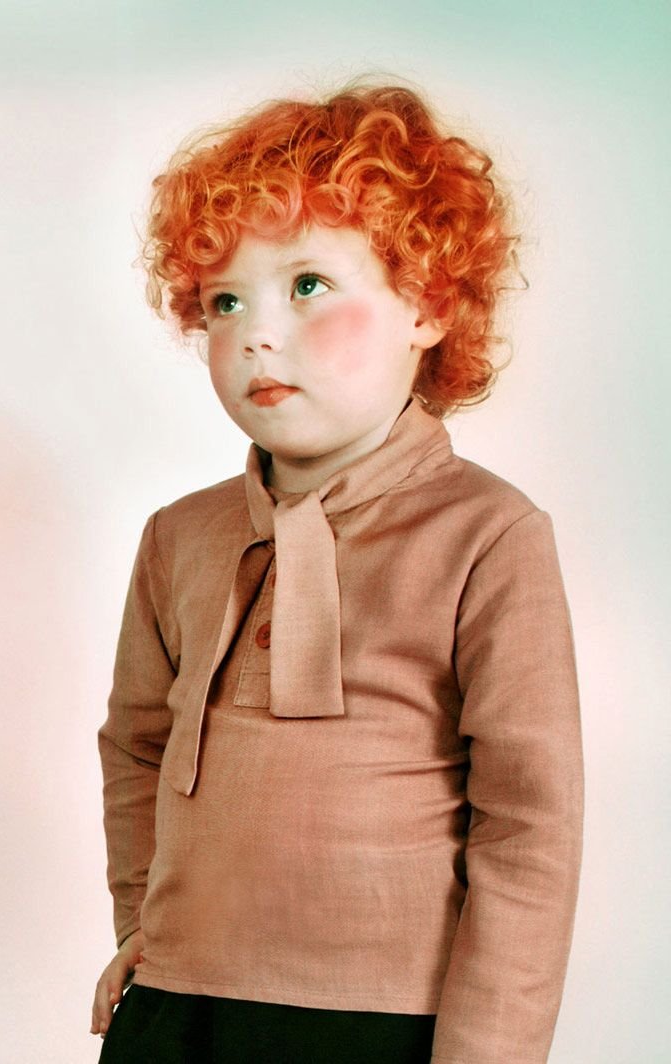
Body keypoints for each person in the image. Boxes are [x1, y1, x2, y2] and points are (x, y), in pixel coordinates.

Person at [90, 83, 582, 1064]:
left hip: (384, 1023)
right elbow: (135, 750)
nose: (257, 333)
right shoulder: (178, 537)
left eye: (308, 285)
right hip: (176, 1010)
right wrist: (146, 930)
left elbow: (530, 823)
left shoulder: (489, 535)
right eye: (226, 301)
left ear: (427, 305)